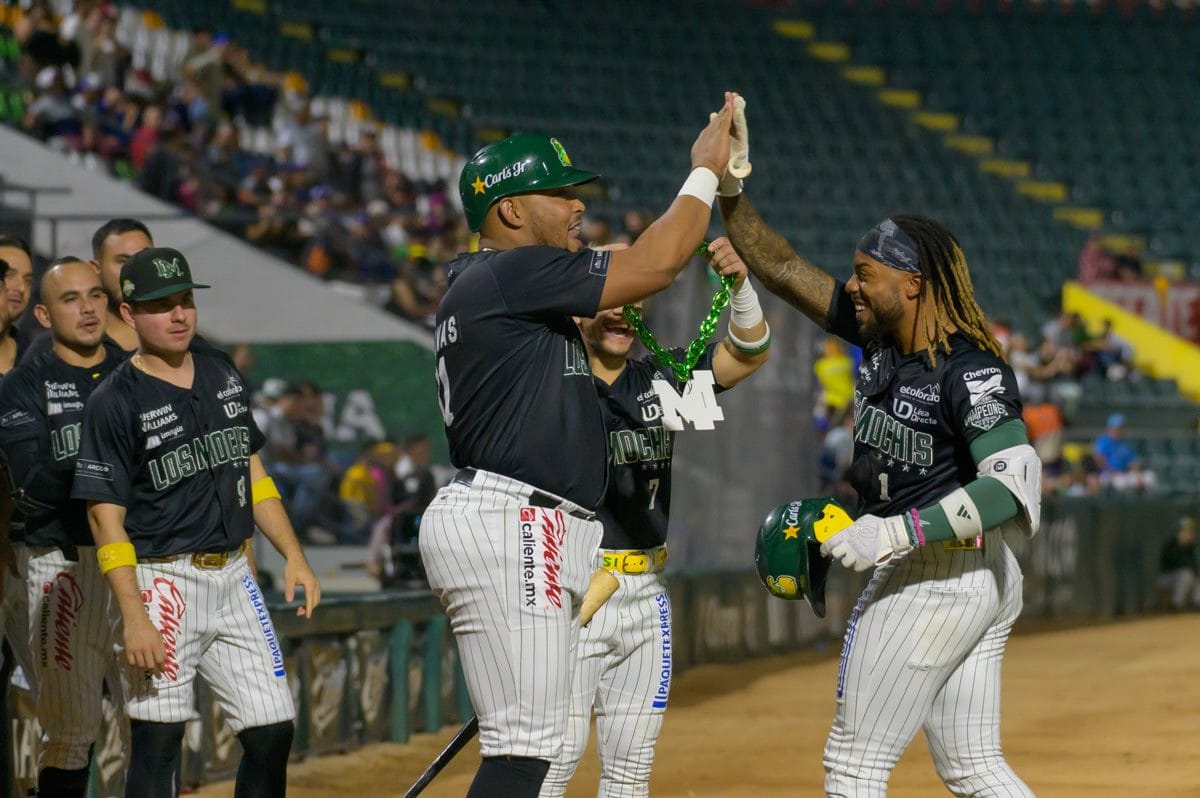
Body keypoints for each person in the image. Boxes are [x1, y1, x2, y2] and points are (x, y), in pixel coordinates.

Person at [420, 93, 735, 798]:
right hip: (514, 518)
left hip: (517, 517)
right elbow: (655, 264)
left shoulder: (496, 285)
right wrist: (705, 173)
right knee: (528, 746)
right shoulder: (512, 272)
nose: (575, 207)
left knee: (528, 743)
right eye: (558, 193)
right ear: (508, 211)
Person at [720, 127, 1041, 794]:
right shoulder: (878, 337)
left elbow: (1009, 487)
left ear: (914, 283)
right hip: (970, 575)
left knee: (854, 764)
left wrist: (896, 531)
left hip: (937, 569)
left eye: (867, 273)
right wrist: (729, 186)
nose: (852, 286)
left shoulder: (970, 368)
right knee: (974, 765)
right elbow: (779, 266)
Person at [71, 247, 321, 798]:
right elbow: (103, 517)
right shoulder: (113, 401)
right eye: (162, 306)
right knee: (159, 745)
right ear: (130, 314)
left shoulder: (220, 371)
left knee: (273, 731)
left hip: (234, 575)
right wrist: (134, 617)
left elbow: (251, 472)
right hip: (162, 582)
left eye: (185, 301)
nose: (179, 315)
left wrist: (294, 556)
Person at [540, 237, 769, 797]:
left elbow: (750, 351)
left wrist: (740, 286)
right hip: (573, 588)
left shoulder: (661, 378)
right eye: (607, 296)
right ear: (577, 306)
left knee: (631, 768)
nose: (620, 308)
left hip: (647, 592)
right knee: (552, 759)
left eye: (632, 294)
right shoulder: (547, 381)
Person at [0, 257, 128, 796]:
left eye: (95, 295)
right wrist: (115, 461)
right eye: (71, 299)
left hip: (136, 564)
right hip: (62, 568)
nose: (88, 308)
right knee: (71, 735)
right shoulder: (23, 385)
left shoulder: (137, 369)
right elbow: (34, 481)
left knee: (156, 722)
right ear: (45, 316)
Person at [1156, 517, 1199, 611]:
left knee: (1193, 576)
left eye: (1190, 532)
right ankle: (1176, 604)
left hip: (1183, 577)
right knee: (1186, 574)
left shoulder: (1190, 547)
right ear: (1179, 532)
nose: (1189, 534)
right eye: (1186, 531)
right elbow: (1178, 563)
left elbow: (1194, 565)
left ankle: (1197, 603)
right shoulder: (1171, 545)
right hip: (1166, 577)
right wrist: (1184, 546)